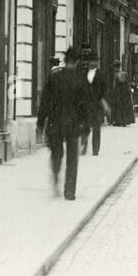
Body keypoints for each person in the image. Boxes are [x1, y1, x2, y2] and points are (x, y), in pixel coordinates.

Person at [38, 49, 91, 201]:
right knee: (72, 158)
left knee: (56, 152)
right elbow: (86, 106)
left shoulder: (54, 78)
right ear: (77, 62)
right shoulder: (81, 80)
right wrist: (86, 128)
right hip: (73, 123)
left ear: (65, 60)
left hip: (56, 121)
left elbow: (45, 101)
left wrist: (41, 122)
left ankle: (55, 175)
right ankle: (69, 192)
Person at [84, 56, 111, 155]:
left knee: (96, 127)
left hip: (97, 103)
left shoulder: (101, 75)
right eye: (91, 61)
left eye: (94, 61)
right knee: (85, 126)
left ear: (97, 62)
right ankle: (84, 146)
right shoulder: (84, 73)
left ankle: (95, 149)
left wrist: (105, 103)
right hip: (86, 103)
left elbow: (104, 90)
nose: (92, 63)